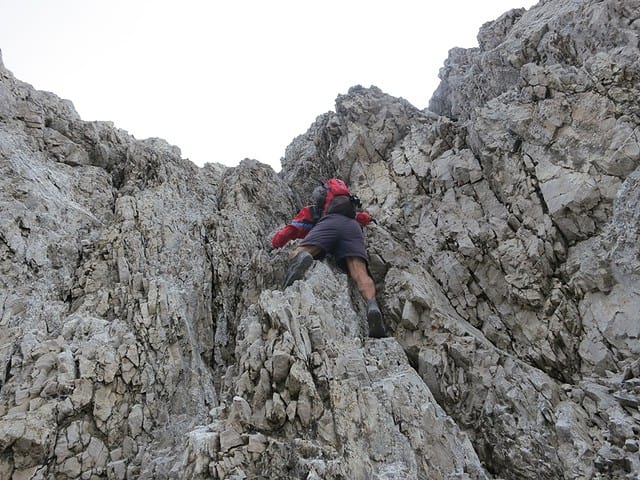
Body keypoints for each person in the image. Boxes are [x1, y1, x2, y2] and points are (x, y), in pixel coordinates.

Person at [271, 180, 386, 338]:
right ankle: (372, 305)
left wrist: (276, 242)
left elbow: (292, 230)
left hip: (328, 225)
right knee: (360, 272)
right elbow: (364, 218)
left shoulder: (313, 211)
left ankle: (303, 258)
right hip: (352, 228)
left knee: (299, 251)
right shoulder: (351, 212)